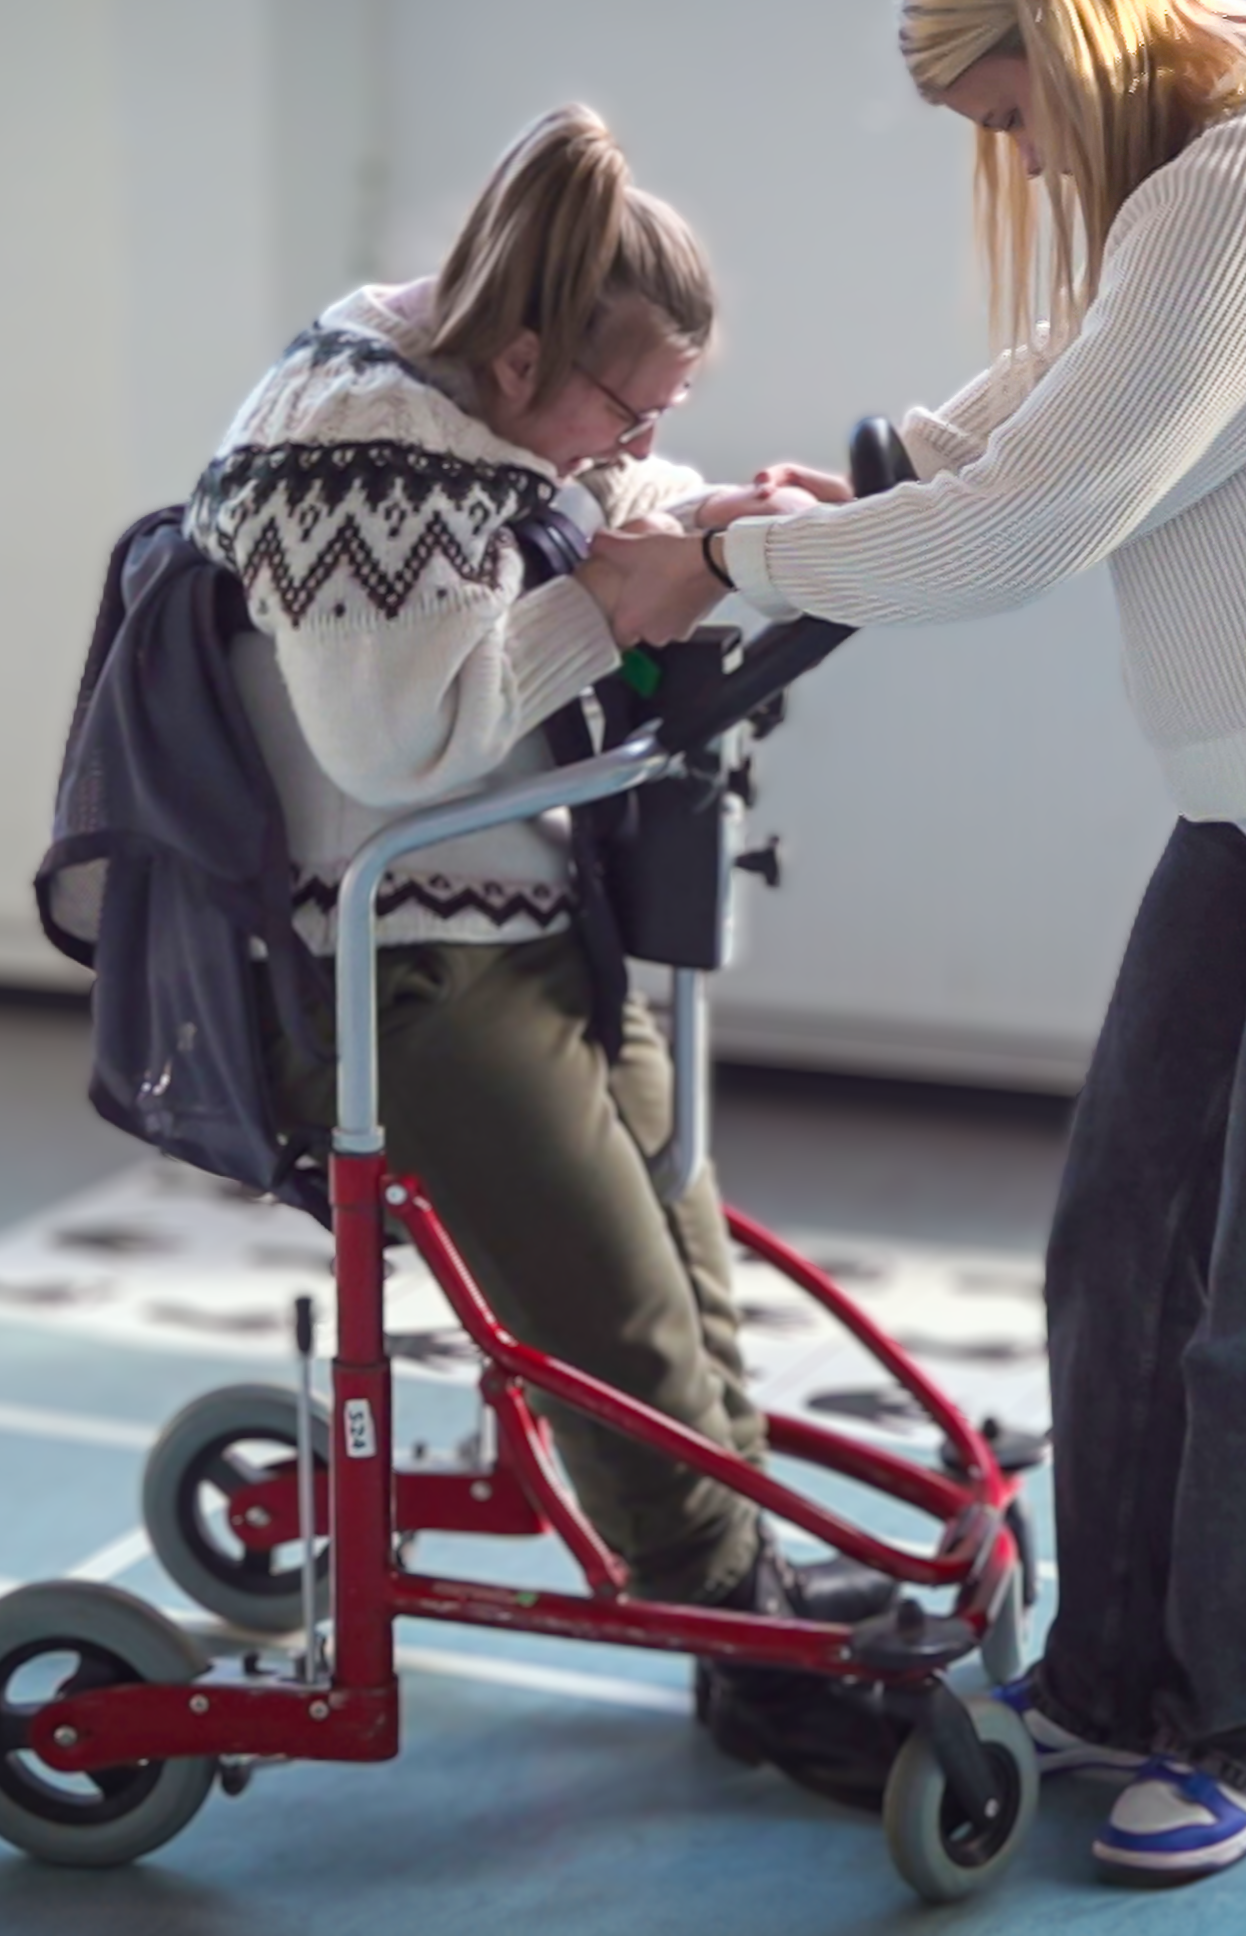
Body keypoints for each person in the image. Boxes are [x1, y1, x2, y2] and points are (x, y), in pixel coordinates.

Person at [581, 0, 1246, 1881]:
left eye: (1007, 112)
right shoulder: (1211, 139)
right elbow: (1078, 372)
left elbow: (1034, 525)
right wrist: (875, 473)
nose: (1019, 156)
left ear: (1063, 32)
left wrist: (728, 560)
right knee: (1121, 1236)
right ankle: (1114, 1678)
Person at [195, 103, 904, 1803]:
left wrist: (706, 512)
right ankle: (740, 1635)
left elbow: (581, 492)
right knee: (611, 1316)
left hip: (516, 921)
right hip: (400, 973)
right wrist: (624, 599)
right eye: (633, 402)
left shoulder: (484, 389)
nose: (645, 433)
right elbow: (403, 743)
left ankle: (738, 1584)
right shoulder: (355, 446)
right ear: (520, 361)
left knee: (681, 1249)